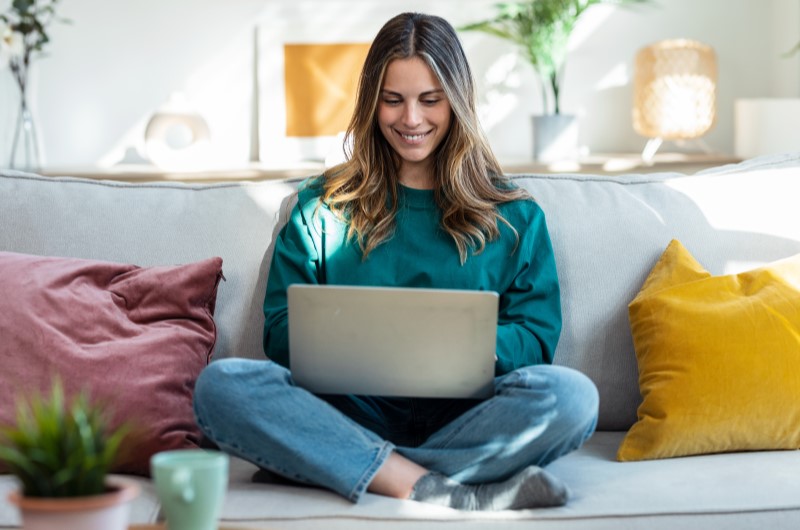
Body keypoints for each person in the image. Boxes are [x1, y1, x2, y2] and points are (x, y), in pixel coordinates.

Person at [193, 12, 598, 511]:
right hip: (347, 411)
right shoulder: (321, 206)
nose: (411, 119)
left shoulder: (514, 215)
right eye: (393, 100)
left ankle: (356, 467)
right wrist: (358, 339)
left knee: (574, 397)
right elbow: (278, 331)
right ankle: (439, 488)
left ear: (457, 101)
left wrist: (454, 344)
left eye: (430, 100)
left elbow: (536, 338)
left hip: (469, 416)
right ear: (371, 102)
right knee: (221, 386)